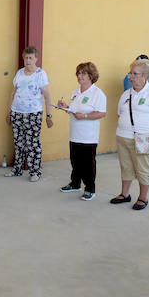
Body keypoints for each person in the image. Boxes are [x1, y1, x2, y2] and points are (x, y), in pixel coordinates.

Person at [110, 58, 149, 210]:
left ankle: (143, 198)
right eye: (130, 73)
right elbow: (120, 114)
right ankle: (125, 194)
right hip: (123, 136)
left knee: (143, 169)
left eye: (135, 73)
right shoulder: (126, 94)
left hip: (145, 137)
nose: (130, 76)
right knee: (126, 167)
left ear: (146, 76)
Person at [57, 62, 107, 200]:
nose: (80, 76)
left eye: (83, 73)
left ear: (91, 75)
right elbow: (74, 112)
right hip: (75, 135)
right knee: (75, 162)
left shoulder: (97, 93)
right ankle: (75, 184)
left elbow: (102, 113)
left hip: (88, 137)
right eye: (78, 73)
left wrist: (85, 116)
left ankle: (90, 189)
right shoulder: (76, 92)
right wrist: (65, 107)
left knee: (88, 165)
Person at [5, 46, 53, 182]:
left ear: (36, 59)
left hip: (33, 114)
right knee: (18, 143)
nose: (28, 60)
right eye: (26, 57)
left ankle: (35, 172)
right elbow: (13, 94)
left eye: (31, 58)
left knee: (33, 144)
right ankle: (17, 169)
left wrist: (49, 116)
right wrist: (9, 112)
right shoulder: (19, 73)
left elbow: (48, 96)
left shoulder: (40, 74)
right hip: (17, 113)